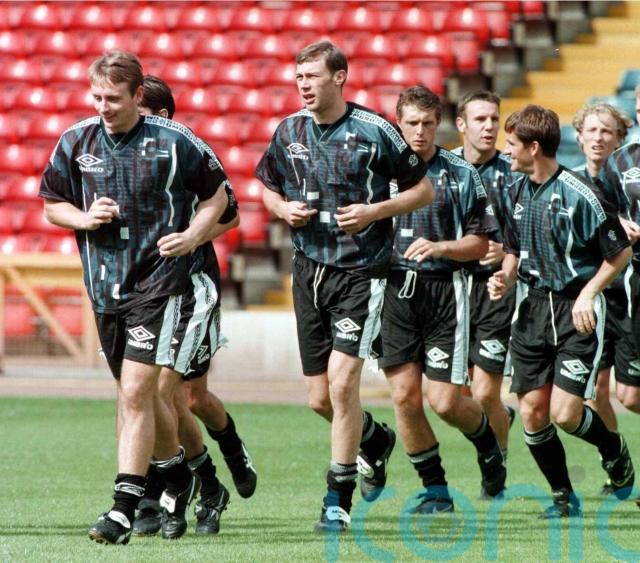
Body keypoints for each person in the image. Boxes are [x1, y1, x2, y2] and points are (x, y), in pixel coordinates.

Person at [39, 51, 229, 544]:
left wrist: (193, 236)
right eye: (96, 97)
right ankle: (179, 475)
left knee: (137, 392)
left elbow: (220, 197)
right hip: (105, 288)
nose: (103, 107)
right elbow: (52, 205)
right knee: (134, 394)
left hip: (159, 285)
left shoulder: (175, 140)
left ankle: (123, 509)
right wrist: (84, 218)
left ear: (138, 95)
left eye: (113, 98)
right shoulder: (75, 141)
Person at [255, 41, 434, 532]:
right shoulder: (288, 130)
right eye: (299, 77)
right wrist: (282, 209)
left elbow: (423, 190)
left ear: (339, 77)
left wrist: (374, 211)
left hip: (361, 272)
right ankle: (374, 439)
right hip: (307, 270)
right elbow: (266, 187)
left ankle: (337, 500)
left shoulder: (376, 130)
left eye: (312, 76)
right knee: (320, 399)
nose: (304, 85)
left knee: (342, 382)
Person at [488, 104, 635, 518]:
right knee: (533, 413)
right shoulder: (514, 191)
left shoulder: (583, 194)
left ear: (534, 148)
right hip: (532, 311)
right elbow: (513, 249)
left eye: (512, 144)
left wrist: (588, 294)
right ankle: (563, 497)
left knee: (566, 414)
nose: (506, 151)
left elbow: (619, 253)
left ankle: (613, 449)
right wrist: (504, 276)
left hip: (576, 311)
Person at [129, 75, 257, 537]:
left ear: (161, 115)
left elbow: (231, 214)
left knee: (181, 394)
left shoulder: (187, 150)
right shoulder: (120, 154)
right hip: (143, 291)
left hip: (191, 287)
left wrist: (191, 237)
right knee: (151, 394)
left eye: (140, 110)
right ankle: (185, 487)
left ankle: (224, 456)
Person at [380, 86, 505, 514]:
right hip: (395, 292)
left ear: (440, 124)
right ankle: (436, 493)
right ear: (398, 123)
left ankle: (488, 446)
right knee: (404, 398)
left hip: (445, 292)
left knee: (445, 401)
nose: (420, 131)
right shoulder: (381, 171)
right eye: (412, 123)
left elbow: (481, 244)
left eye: (428, 123)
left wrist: (441, 247)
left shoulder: (460, 173)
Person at [452, 91, 518, 490]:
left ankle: (498, 469)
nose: (489, 126)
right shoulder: (445, 168)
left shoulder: (513, 172)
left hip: (496, 289)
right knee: (452, 396)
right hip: (451, 290)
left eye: (494, 119)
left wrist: (507, 253)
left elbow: (531, 234)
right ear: (461, 124)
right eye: (480, 119)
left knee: (485, 390)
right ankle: (500, 420)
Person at [571, 103, 636, 496]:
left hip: (627, 296)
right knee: (593, 390)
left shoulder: (628, 182)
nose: (598, 138)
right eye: (591, 130)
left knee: (631, 395)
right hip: (588, 301)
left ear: (619, 139)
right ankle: (617, 467)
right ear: (578, 136)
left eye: (606, 131)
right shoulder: (568, 183)